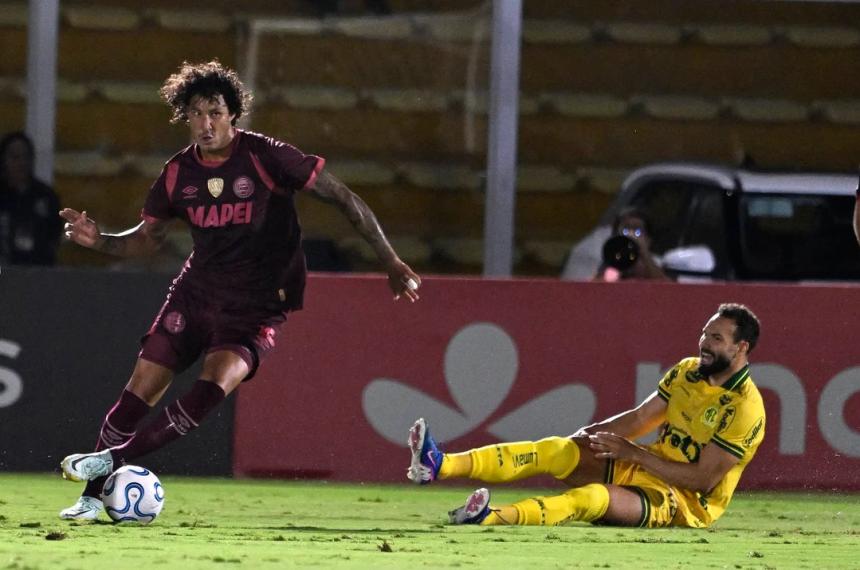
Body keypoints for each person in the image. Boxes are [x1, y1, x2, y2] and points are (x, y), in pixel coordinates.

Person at [56, 60, 421, 520]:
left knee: (214, 384)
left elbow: (344, 198)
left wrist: (389, 260)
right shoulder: (177, 174)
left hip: (257, 305)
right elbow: (147, 240)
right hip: (197, 292)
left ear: (233, 115)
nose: (205, 124)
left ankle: (113, 462)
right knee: (140, 389)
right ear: (184, 116)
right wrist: (100, 240)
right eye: (196, 113)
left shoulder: (268, 157)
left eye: (215, 112)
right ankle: (91, 497)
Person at [408, 303, 764, 529]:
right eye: (704, 333)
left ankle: (490, 516)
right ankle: (438, 465)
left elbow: (702, 480)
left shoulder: (746, 408)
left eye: (716, 338)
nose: (703, 342)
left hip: (682, 503)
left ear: (740, 347)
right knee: (556, 450)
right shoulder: (687, 371)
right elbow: (641, 419)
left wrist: (635, 453)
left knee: (591, 498)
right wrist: (590, 436)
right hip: (645, 464)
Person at [0, 131, 62, 265]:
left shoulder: (45, 196)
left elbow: (54, 237)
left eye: (26, 157)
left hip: (39, 273)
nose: (21, 163)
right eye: (15, 157)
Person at [594, 207, 669, 281]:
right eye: (626, 230)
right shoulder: (610, 261)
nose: (631, 234)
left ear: (648, 239)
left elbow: (667, 287)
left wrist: (644, 253)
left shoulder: (655, 263)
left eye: (637, 232)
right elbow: (597, 285)